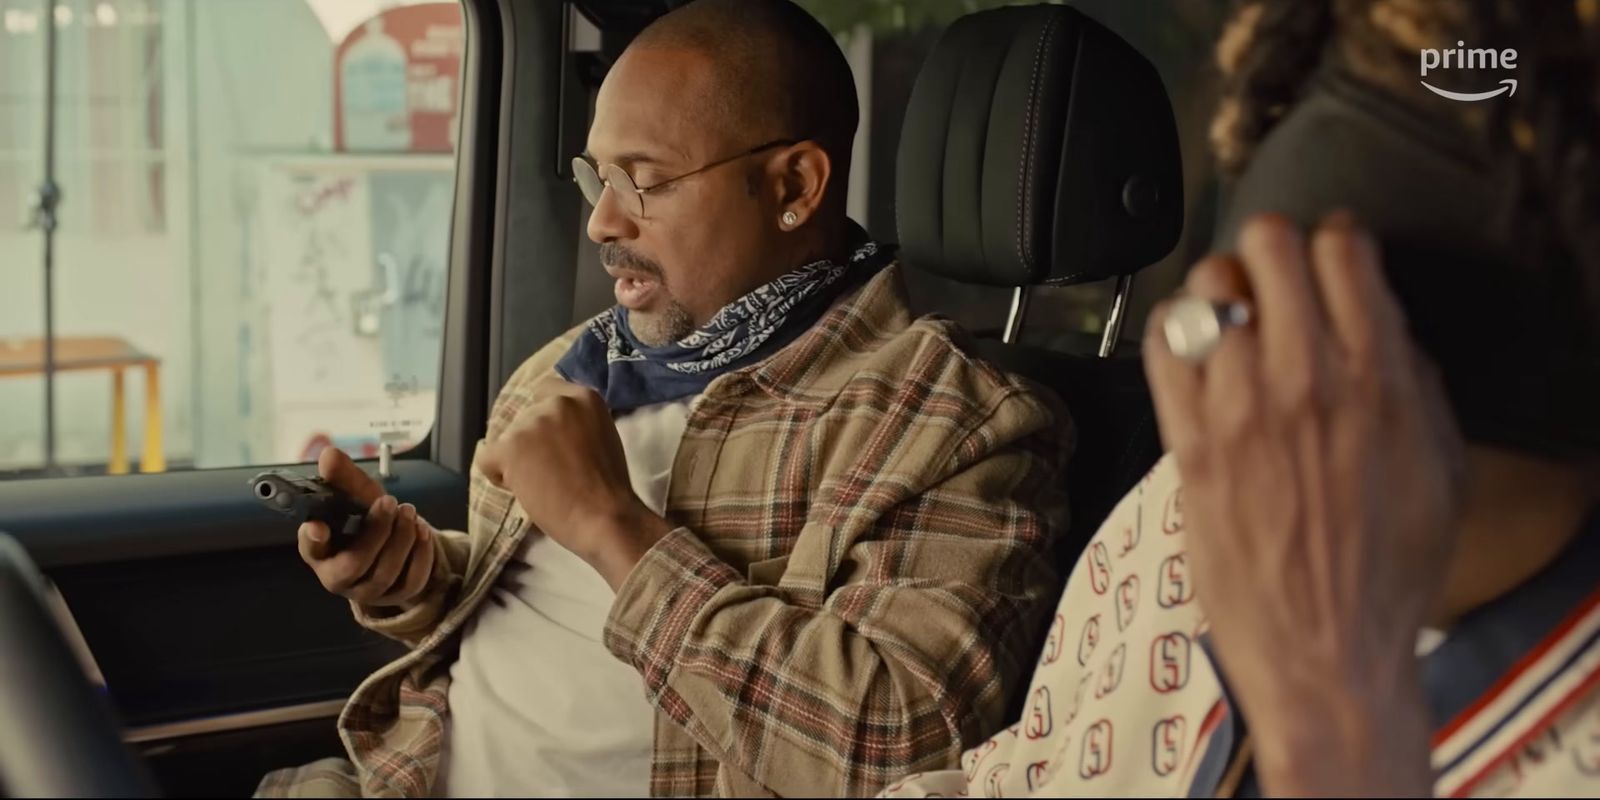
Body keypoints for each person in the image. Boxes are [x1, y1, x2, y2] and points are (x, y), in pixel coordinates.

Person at [255, 1, 1071, 797]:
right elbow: (550, 611)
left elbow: (897, 748)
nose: (601, 223)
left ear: (794, 182)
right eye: (597, 178)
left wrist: (616, 528)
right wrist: (419, 576)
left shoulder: (954, 425)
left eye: (643, 182)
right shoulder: (569, 367)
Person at [882, 0, 1600, 796]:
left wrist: (1328, 720)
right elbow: (1005, 782)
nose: (1212, 404)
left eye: (1298, 360)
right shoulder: (1184, 508)